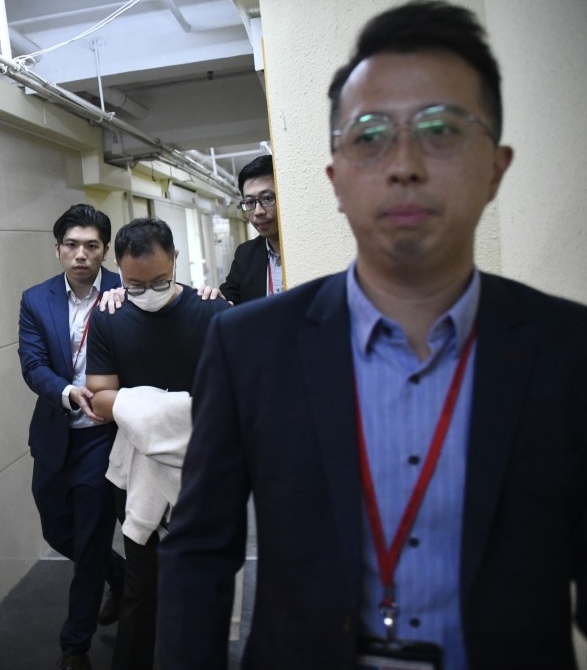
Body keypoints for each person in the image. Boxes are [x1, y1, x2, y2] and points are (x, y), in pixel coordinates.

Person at [157, 2, 587, 669]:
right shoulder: (250, 348)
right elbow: (198, 554)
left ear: (496, 167)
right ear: (334, 179)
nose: (404, 165)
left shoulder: (568, 350)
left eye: (441, 130)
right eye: (370, 136)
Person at [85, 218, 229, 670]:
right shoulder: (109, 315)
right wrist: (175, 408)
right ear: (118, 270)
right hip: (135, 474)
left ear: (176, 260)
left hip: (202, 473)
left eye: (160, 281)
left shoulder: (212, 312)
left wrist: (140, 406)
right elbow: (99, 398)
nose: (148, 292)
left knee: (203, 584)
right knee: (141, 588)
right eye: (135, 284)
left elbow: (233, 395)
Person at [18, 204, 127, 670]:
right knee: (56, 529)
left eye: (91, 245)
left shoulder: (125, 291)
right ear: (58, 249)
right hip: (56, 434)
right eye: (71, 245)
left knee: (89, 537)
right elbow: (33, 363)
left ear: (105, 250)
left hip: (104, 436)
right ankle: (121, 575)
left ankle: (74, 646)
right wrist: (65, 391)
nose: (81, 254)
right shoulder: (35, 299)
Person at [218, 154, 283, 303]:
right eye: (249, 202)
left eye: (267, 198)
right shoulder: (245, 255)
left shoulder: (312, 247)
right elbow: (226, 301)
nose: (258, 211)